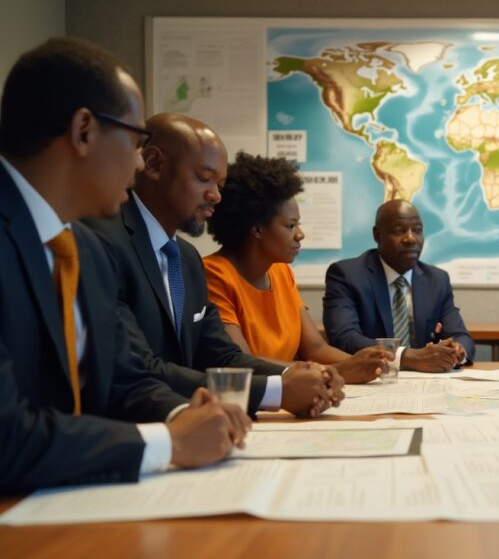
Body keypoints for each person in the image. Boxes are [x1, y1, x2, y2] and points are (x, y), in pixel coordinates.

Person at [0, 37, 248, 492]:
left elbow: (126, 379)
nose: (139, 163)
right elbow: (6, 436)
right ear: (83, 131)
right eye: (136, 140)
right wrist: (166, 443)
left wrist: (184, 414)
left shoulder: (85, 249)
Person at [83, 113, 343, 418]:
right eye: (204, 178)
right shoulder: (100, 241)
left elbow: (222, 355)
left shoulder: (187, 259)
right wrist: (277, 392)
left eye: (219, 184)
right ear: (153, 164)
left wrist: (298, 378)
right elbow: (140, 367)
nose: (216, 196)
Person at [203, 152, 387, 383]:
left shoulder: (280, 272)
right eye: (290, 226)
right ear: (257, 229)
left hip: (295, 391)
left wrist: (364, 364)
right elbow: (241, 362)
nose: (300, 235)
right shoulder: (214, 275)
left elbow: (316, 349)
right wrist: (335, 372)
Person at [323, 200, 474, 373]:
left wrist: (457, 352)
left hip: (426, 382)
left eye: (417, 230)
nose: (411, 238)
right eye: (399, 230)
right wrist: (406, 357)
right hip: (373, 378)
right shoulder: (347, 275)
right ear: (377, 235)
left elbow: (461, 336)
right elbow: (344, 337)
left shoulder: (437, 279)